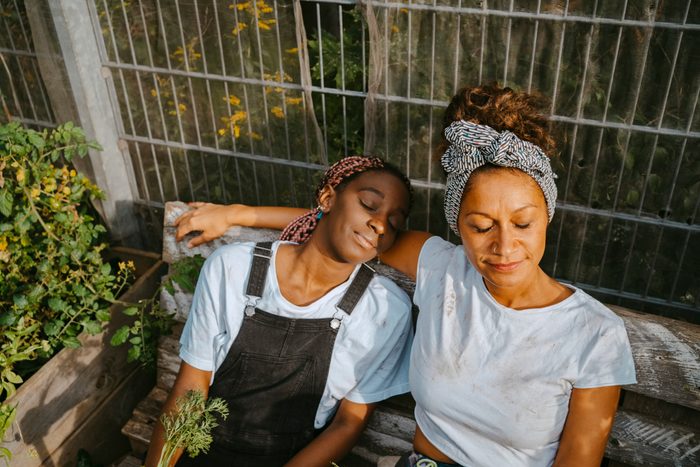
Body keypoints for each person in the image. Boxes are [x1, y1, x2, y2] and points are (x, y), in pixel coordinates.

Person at [175, 84, 637, 466]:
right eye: (480, 226)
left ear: (548, 218)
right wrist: (241, 213)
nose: (504, 246)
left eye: (523, 223)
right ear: (458, 226)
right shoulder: (443, 268)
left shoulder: (594, 334)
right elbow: (350, 225)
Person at [146, 156, 415, 467]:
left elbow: (348, 423)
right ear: (327, 198)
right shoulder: (233, 268)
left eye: (394, 223)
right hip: (205, 448)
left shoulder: (384, 310)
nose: (381, 224)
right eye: (369, 204)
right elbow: (190, 390)